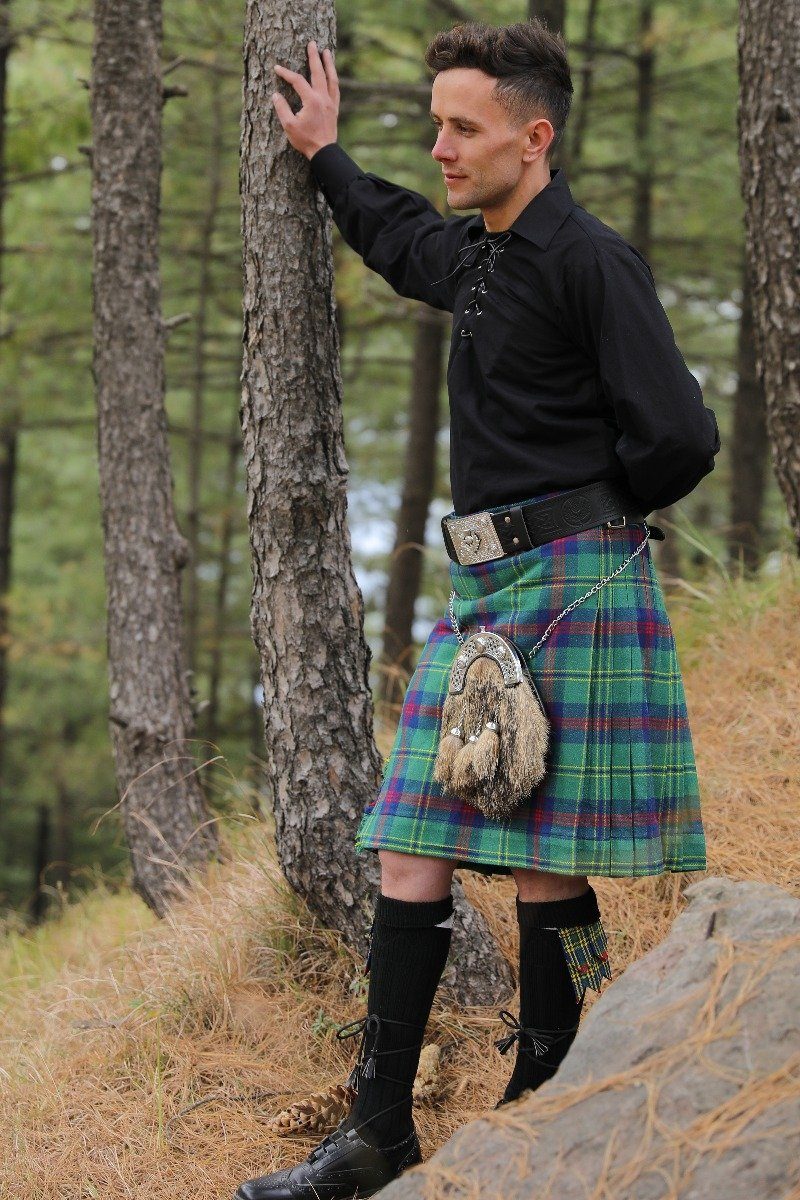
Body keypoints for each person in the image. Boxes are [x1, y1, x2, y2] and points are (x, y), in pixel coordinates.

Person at [234, 18, 720, 1200]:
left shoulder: (590, 261)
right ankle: (375, 1137)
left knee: (548, 865)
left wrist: (590, 519)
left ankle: (546, 1103)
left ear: (532, 137)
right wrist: (325, 155)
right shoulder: (480, 253)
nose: (441, 147)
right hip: (487, 591)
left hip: (571, 576)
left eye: (462, 128)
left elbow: (679, 434)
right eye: (436, 125)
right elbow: (400, 237)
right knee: (411, 847)